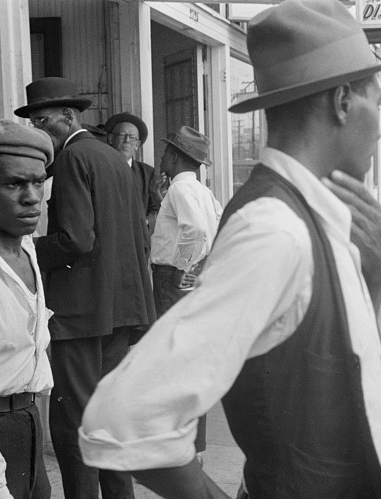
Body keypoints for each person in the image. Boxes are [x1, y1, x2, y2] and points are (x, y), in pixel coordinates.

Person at [79, 1, 381, 498]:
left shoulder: (310, 214)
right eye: (377, 103)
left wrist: (372, 281)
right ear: (342, 101)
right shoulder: (276, 230)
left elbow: (334, 368)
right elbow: (125, 420)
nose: (380, 129)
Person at [14, 76, 156, 499]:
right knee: (107, 421)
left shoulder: (75, 158)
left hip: (80, 314)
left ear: (69, 116)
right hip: (120, 310)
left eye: (43, 121)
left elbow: (77, 239)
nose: (39, 131)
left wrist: (25, 249)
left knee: (74, 424)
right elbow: (135, 238)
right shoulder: (113, 158)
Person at [0, 120, 54, 499]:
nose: (32, 197)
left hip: (27, 427)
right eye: (14, 184)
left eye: (38, 182)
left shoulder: (26, 246)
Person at [150, 125, 223, 457]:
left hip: (170, 281)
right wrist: (200, 268)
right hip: (187, 280)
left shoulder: (180, 191)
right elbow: (216, 232)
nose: (162, 157)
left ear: (177, 157)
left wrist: (182, 268)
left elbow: (193, 231)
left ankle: (178, 449)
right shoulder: (204, 192)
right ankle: (190, 447)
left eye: (166, 151)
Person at [105, 112, 163, 233]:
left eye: (132, 138)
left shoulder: (147, 173)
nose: (126, 140)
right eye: (122, 135)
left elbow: (154, 208)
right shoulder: (100, 169)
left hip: (139, 238)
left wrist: (144, 222)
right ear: (111, 139)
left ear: (137, 145)